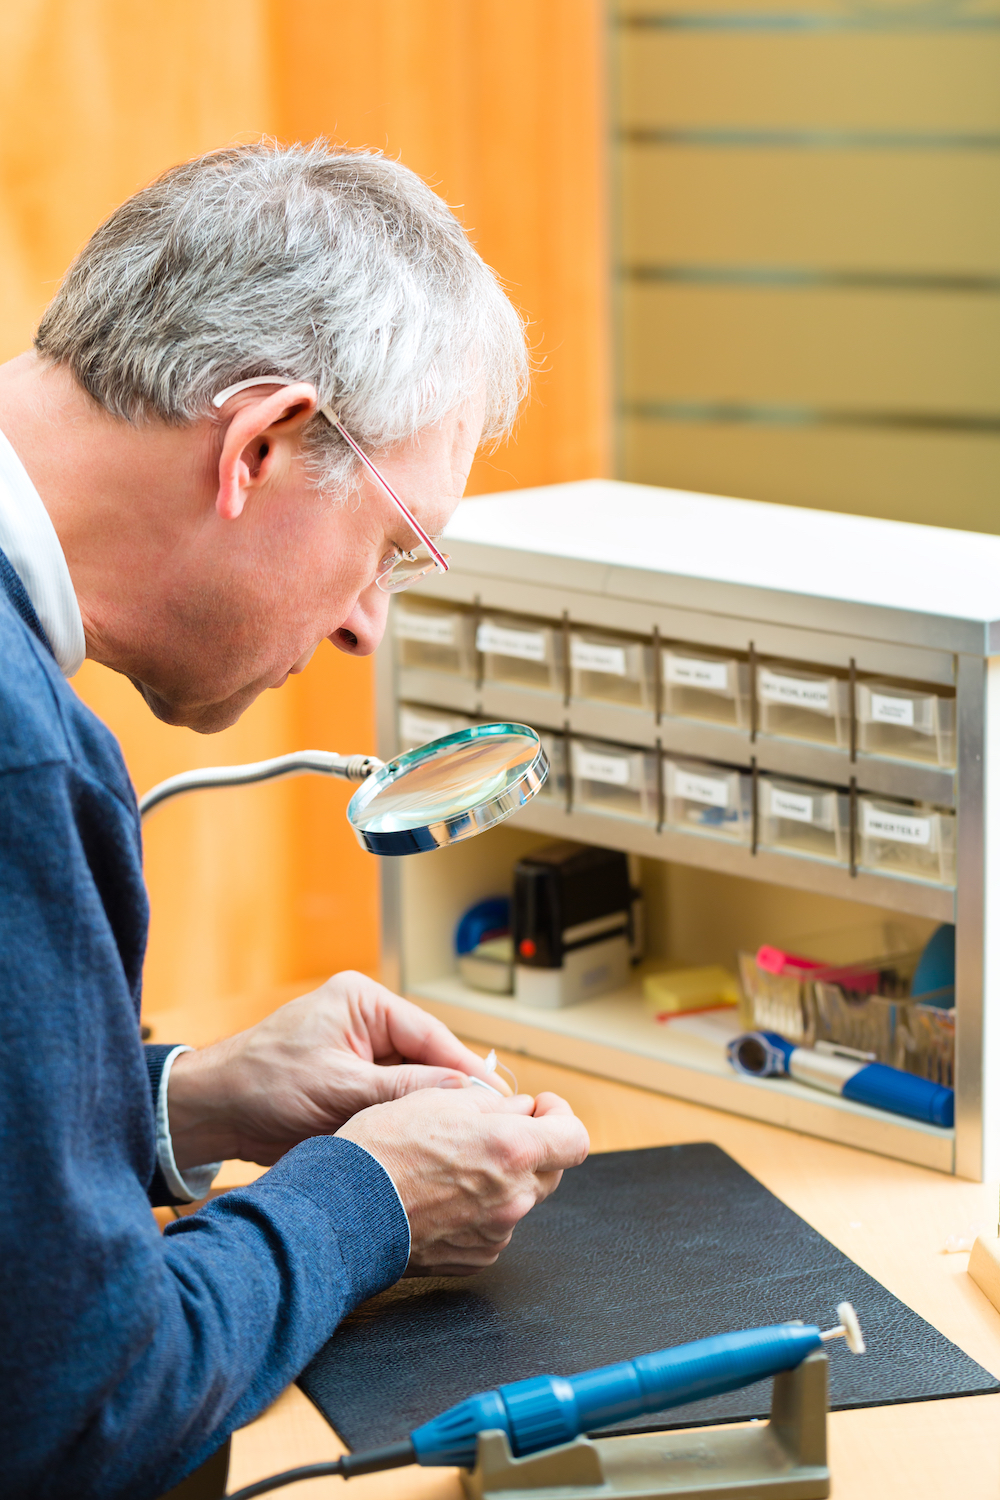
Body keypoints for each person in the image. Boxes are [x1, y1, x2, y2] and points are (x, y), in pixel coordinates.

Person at [0, 141, 590, 1500]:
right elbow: (78, 1408)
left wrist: (170, 1100)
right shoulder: (25, 761)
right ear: (259, 445)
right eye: (389, 548)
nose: (364, 627)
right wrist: (367, 1201)